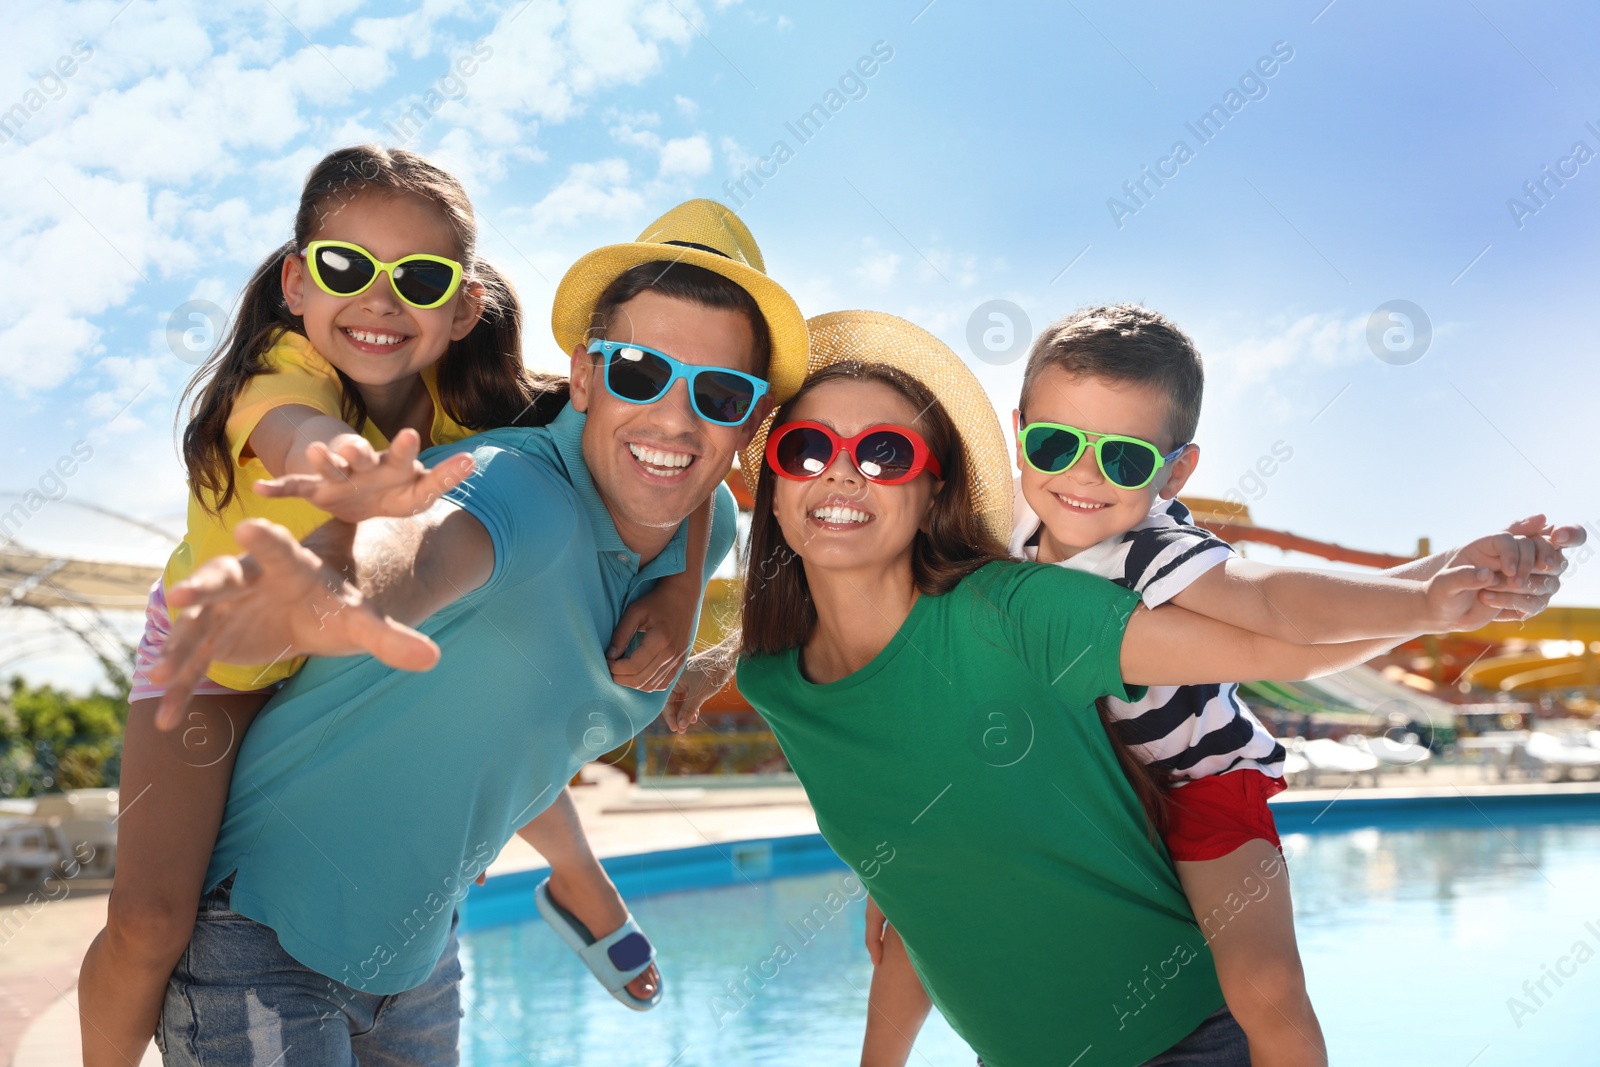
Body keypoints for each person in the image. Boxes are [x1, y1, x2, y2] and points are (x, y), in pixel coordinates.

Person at [718, 311, 1571, 1067]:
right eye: (1055, 446)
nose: (1083, 480)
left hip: (1201, 784)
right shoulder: (1004, 540)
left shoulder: (1144, 555)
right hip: (1108, 799)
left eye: (1122, 458)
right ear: (1020, 438)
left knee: (1266, 985)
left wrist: (1431, 594)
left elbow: (1279, 616)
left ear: (1174, 471)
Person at [136, 197, 808, 1065]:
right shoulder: (516, 493)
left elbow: (522, 725)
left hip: (417, 951)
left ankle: (579, 882)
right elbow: (416, 556)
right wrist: (327, 588)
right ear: (586, 375)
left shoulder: (706, 521)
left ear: (750, 418)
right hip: (261, 933)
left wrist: (683, 602)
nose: (677, 419)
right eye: (640, 371)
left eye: (719, 393)